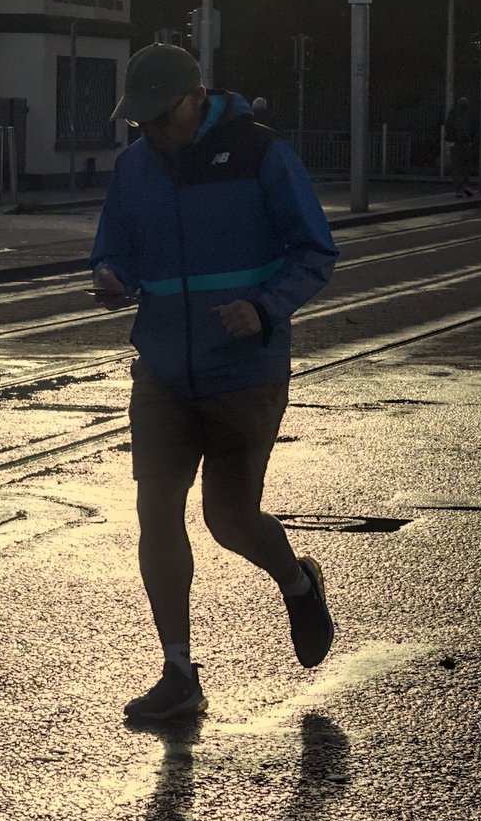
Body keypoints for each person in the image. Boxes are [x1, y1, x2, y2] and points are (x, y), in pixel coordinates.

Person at [90, 44, 339, 723]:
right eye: (140, 123)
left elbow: (316, 250)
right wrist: (111, 274)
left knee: (228, 519)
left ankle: (298, 581)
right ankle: (178, 672)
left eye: (160, 119)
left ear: (195, 99)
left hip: (244, 369)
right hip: (164, 370)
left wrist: (263, 306)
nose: (151, 134)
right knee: (156, 508)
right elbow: (114, 245)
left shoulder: (260, 154)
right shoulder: (134, 167)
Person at [443, 97, 476, 197]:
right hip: (466, 143)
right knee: (466, 167)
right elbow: (474, 127)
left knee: (456, 168)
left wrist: (450, 139)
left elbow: (448, 126)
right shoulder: (469, 114)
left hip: (455, 143)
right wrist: (471, 140)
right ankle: (466, 185)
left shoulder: (453, 113)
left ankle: (458, 190)